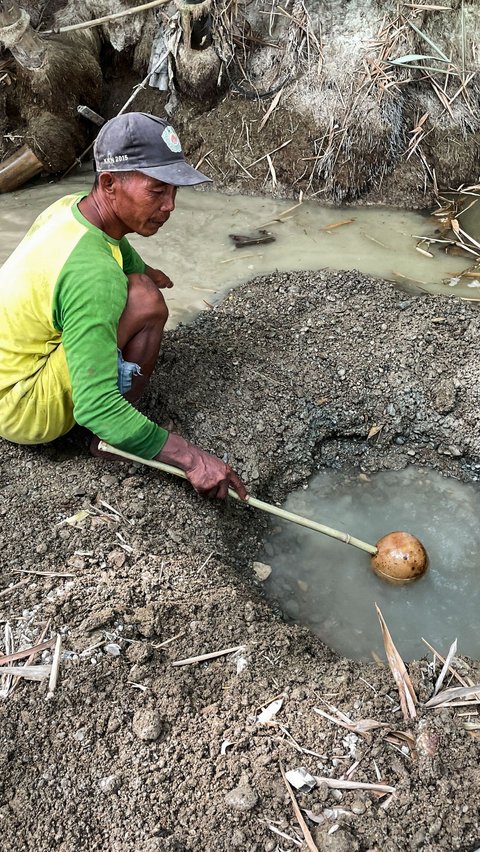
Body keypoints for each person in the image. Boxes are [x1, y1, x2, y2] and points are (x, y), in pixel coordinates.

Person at [0, 112, 247, 501]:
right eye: (157, 191)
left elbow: (115, 244)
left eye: (174, 191)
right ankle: (109, 442)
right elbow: (95, 406)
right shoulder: (95, 277)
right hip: (22, 407)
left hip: (6, 374)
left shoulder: (71, 207)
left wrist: (144, 268)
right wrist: (192, 459)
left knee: (140, 285)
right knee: (146, 301)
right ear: (109, 183)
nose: (170, 206)